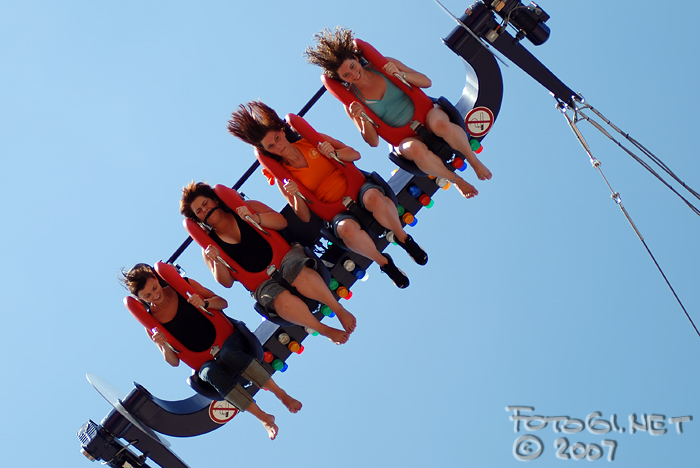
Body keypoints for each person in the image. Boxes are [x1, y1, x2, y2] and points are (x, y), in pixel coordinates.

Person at [228, 101, 428, 289]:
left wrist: (333, 153)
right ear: (268, 151)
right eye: (271, 146)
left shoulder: (309, 142)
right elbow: (305, 216)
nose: (278, 145)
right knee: (346, 230)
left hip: (358, 190)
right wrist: (295, 196)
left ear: (282, 132)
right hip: (335, 212)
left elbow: (355, 154)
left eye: (277, 139)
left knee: (373, 198)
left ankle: (405, 240)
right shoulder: (284, 176)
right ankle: (385, 263)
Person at [305, 27, 492, 199]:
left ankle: (474, 161)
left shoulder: (385, 65)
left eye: (352, 67)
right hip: (403, 138)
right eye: (346, 75)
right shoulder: (352, 104)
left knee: (440, 125)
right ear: (342, 80)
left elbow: (426, 82)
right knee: (415, 150)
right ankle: (456, 180)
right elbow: (373, 142)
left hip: (427, 114)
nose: (354, 75)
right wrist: (363, 119)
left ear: (356, 59)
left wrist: (400, 75)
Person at [121, 263, 300, 440]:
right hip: (209, 362)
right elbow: (173, 362)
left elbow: (223, 302)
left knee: (228, 353)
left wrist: (204, 303)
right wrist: (163, 345)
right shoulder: (152, 325)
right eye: (147, 295)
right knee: (208, 372)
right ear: (140, 299)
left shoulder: (184, 285)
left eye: (154, 287)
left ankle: (281, 394)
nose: (155, 295)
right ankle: (264, 418)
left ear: (156, 279)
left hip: (232, 341)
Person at [180, 182, 356, 344]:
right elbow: (226, 282)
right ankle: (323, 330)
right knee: (279, 300)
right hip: (262, 284)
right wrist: (217, 260)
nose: (205, 210)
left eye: (205, 204)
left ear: (215, 200)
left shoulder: (248, 207)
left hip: (285, 258)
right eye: (199, 211)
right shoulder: (209, 249)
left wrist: (255, 219)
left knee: (298, 273)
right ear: (199, 220)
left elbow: (281, 222)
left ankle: (338, 309)